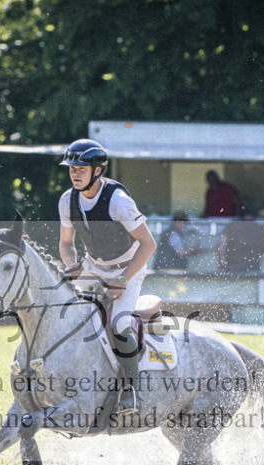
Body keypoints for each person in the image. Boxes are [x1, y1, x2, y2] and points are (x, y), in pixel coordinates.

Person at [58, 138, 156, 416]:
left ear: (97, 171)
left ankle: (131, 390)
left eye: (81, 168)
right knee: (68, 316)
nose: (74, 173)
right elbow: (66, 244)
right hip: (94, 267)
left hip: (128, 268)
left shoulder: (119, 202)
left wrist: (123, 280)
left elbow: (149, 245)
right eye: (71, 169)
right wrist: (72, 264)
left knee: (118, 323)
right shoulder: (67, 201)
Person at [216, 207, 264, 273]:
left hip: (233, 267)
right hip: (253, 267)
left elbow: (222, 244)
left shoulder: (232, 227)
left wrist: (220, 262)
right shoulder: (260, 229)